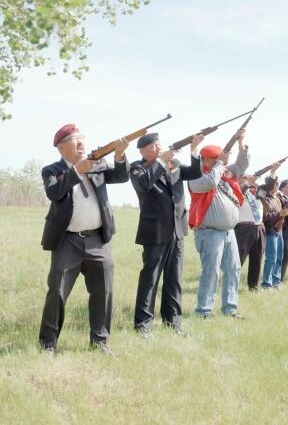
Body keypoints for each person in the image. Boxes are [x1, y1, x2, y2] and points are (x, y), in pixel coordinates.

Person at [38, 123, 129, 356]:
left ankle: (100, 343)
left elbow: (120, 176)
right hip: (67, 242)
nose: (80, 143)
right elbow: (54, 192)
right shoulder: (52, 170)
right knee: (57, 291)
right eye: (73, 140)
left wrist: (119, 155)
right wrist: (78, 170)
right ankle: (48, 344)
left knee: (103, 292)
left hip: (98, 239)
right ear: (61, 148)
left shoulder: (97, 164)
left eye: (81, 138)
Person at [129, 132, 204, 338]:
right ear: (143, 151)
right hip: (155, 230)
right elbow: (144, 185)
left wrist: (194, 149)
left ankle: (173, 322)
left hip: (177, 229)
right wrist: (161, 161)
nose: (159, 149)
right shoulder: (137, 168)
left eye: (159, 145)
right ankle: (143, 325)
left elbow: (196, 173)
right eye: (154, 146)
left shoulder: (174, 164)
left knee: (174, 279)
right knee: (150, 279)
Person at [188, 132, 249, 317]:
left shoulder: (223, 173)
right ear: (205, 160)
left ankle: (230, 309)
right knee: (211, 272)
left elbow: (241, 165)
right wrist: (221, 164)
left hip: (228, 231)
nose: (219, 162)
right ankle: (203, 311)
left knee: (234, 269)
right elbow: (210, 182)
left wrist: (240, 141)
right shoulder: (196, 176)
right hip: (209, 232)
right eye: (215, 159)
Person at [234, 173, 267, 291]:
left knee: (257, 259)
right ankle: (232, 284)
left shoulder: (257, 193)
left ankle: (254, 286)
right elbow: (238, 192)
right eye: (245, 178)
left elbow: (268, 188)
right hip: (244, 228)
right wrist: (247, 183)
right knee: (239, 258)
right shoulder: (237, 189)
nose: (248, 180)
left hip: (259, 227)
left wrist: (272, 173)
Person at [260, 163, 286, 289]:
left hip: (279, 230)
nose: (277, 185)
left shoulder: (276, 198)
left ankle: (276, 282)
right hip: (270, 230)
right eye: (276, 183)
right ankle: (266, 283)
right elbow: (265, 217)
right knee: (271, 258)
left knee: (279, 258)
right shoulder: (263, 198)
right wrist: (278, 214)